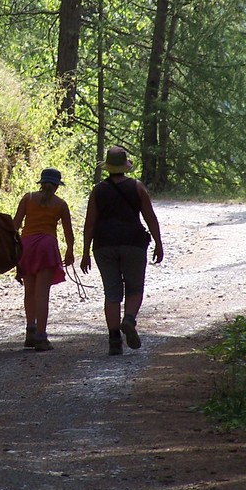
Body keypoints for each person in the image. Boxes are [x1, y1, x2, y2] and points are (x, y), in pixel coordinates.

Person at [80, 146, 163, 355]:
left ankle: (114, 340)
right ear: (125, 166)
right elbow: (150, 217)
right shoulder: (137, 187)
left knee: (112, 292)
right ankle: (128, 320)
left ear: (108, 167)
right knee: (134, 288)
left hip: (104, 244)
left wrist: (85, 252)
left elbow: (90, 223)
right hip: (133, 243)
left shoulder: (98, 190)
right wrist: (158, 242)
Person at [13, 167, 75, 351]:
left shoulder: (28, 198)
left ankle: (30, 331)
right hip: (47, 247)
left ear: (41, 183)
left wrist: (14, 249)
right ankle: (41, 336)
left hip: (27, 246)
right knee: (42, 294)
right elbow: (68, 232)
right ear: (57, 186)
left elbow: (15, 225)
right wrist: (70, 251)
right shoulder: (61, 204)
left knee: (29, 292)